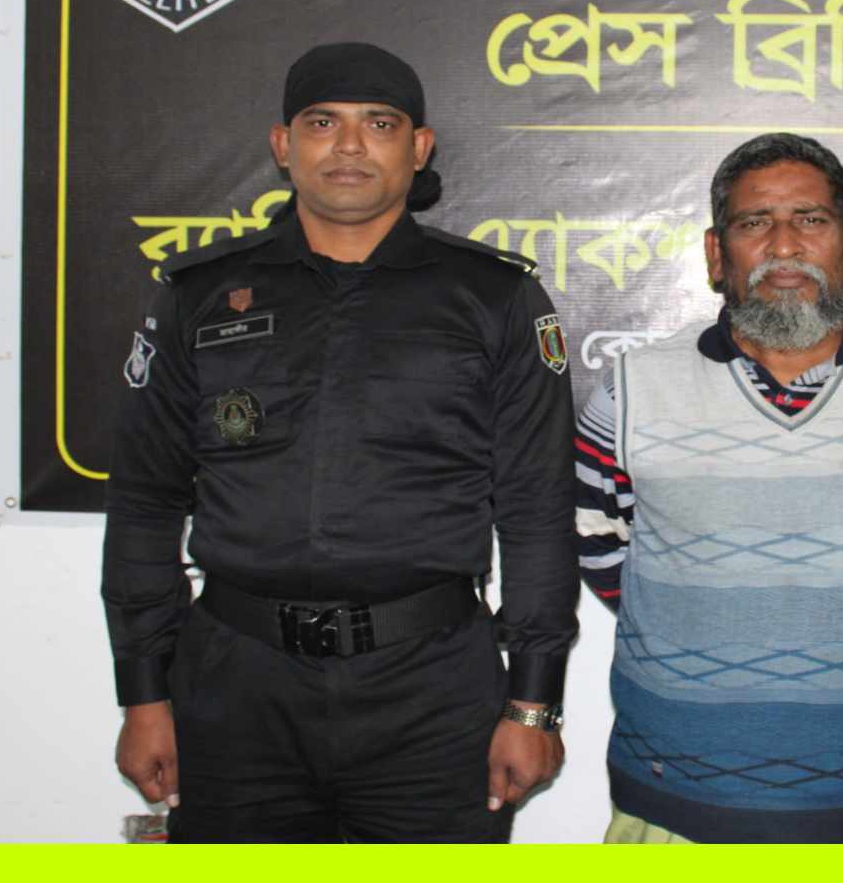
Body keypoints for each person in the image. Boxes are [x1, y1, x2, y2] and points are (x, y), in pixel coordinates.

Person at [101, 42, 578, 842]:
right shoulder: (199, 293)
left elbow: (535, 511)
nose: (350, 146)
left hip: (431, 689)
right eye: (322, 123)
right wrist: (144, 691)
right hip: (236, 687)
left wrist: (533, 703)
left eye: (379, 124)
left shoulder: (494, 296)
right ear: (283, 145)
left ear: (418, 148)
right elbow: (145, 502)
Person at [573, 132, 843, 843]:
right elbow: (600, 543)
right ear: (717, 254)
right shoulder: (634, 388)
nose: (785, 246)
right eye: (754, 223)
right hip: (671, 793)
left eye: (811, 220)